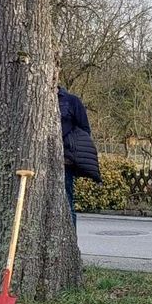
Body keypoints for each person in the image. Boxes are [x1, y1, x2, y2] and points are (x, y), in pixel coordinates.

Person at [60, 85, 101, 222]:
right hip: (41, 162)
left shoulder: (71, 101)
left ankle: (70, 240)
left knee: (67, 203)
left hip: (66, 160)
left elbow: (85, 130)